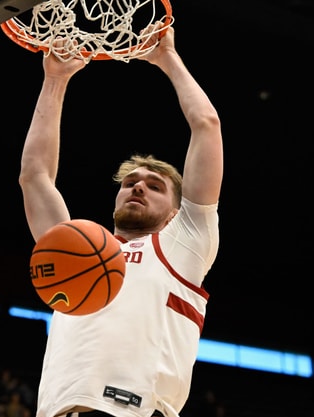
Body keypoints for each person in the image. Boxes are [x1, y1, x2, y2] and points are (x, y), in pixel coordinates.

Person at [18, 23, 223, 417]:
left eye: (154, 186)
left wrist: (167, 58)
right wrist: (55, 80)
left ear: (176, 212)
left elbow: (207, 125)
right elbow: (35, 176)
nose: (138, 187)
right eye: (130, 183)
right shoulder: (75, 250)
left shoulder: (184, 243)